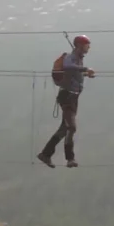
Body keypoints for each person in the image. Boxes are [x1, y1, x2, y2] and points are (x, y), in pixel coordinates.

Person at [37, 35, 95, 168]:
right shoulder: (71, 57)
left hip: (73, 97)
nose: (89, 47)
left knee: (64, 129)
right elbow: (68, 66)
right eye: (87, 45)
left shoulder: (78, 60)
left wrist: (86, 75)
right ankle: (70, 159)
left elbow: (74, 74)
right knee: (71, 127)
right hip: (67, 96)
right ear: (80, 45)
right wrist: (85, 69)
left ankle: (45, 154)